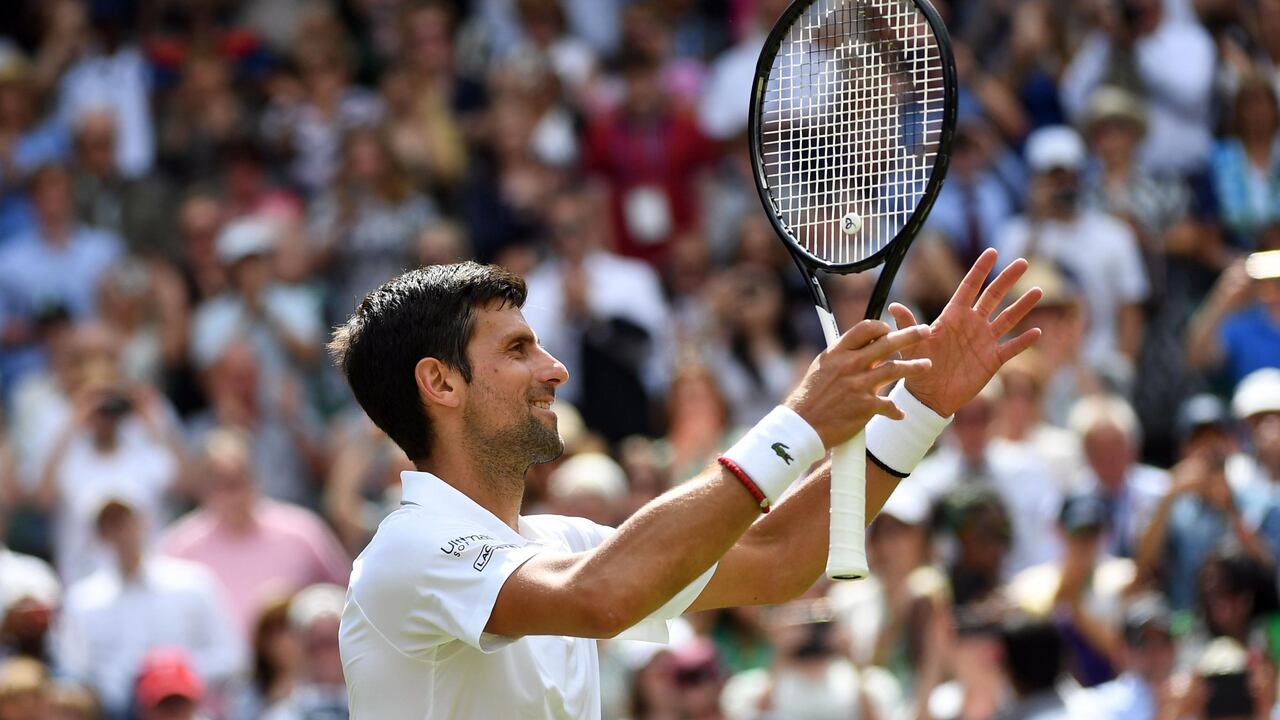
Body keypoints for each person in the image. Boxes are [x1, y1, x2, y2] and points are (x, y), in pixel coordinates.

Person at [333, 250, 1043, 717]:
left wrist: (918, 410)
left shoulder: (563, 543)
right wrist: (799, 420)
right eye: (519, 348)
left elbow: (777, 559)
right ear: (440, 383)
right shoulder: (408, 552)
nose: (556, 369)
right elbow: (599, 597)